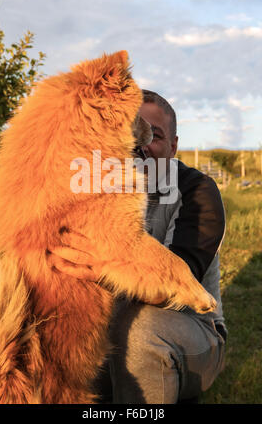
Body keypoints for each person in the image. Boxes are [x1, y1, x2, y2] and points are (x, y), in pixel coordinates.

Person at [93, 89, 227, 404]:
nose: (140, 146)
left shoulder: (197, 191)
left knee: (141, 330)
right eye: (132, 134)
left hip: (190, 327)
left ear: (174, 146)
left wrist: (91, 263)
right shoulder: (103, 187)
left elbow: (175, 287)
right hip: (109, 323)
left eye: (153, 136)